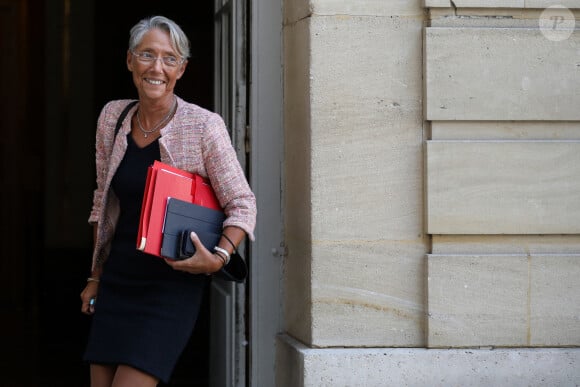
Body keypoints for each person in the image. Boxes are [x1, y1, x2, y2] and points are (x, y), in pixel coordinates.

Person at [79, 15, 256, 387]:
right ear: (130, 60)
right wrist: (96, 275)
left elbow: (242, 203)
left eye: (169, 58)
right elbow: (102, 200)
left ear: (182, 69)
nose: (156, 67)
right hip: (118, 279)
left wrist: (219, 256)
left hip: (168, 287)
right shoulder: (113, 116)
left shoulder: (204, 125)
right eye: (147, 54)